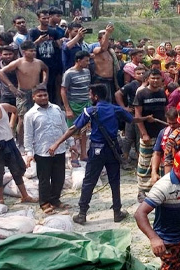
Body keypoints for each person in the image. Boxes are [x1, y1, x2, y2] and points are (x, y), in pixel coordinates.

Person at [50, 84, 153, 224]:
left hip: (97, 150)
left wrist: (57, 143)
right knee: (115, 182)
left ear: (96, 96)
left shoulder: (90, 111)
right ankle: (117, 212)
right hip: (113, 151)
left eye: (90, 94)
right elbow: (132, 119)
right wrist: (146, 118)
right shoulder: (116, 109)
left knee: (89, 182)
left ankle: (82, 214)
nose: (89, 96)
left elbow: (74, 128)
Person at [0, 41, 48, 148]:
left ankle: (35, 140)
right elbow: (1, 73)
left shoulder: (38, 62)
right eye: (31, 51)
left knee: (38, 116)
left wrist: (44, 82)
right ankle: (21, 143)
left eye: (34, 50)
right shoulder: (18, 62)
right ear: (24, 52)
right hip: (23, 93)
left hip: (36, 91)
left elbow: (46, 69)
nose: (34, 53)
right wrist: (11, 87)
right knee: (22, 118)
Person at [0, 89, 36, 205]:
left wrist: (12, 124)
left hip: (9, 142)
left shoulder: (4, 107)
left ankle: (25, 195)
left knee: (16, 169)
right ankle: (1, 199)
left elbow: (15, 111)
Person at [134, 69, 168, 202]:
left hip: (161, 133)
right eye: (152, 78)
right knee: (145, 162)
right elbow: (137, 116)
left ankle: (157, 189)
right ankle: (141, 191)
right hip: (147, 134)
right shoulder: (141, 94)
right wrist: (144, 133)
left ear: (161, 79)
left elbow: (165, 112)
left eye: (157, 78)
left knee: (159, 162)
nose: (155, 80)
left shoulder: (162, 93)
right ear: (148, 79)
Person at [61, 51, 91, 165]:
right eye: (86, 60)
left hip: (85, 104)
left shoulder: (87, 72)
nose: (88, 63)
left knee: (84, 131)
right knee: (73, 131)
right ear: (78, 60)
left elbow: (87, 87)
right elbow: (63, 90)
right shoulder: (69, 73)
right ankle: (73, 156)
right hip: (74, 105)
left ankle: (83, 154)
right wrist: (67, 108)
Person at [151, 108, 180, 185]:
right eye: (169, 123)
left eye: (174, 123)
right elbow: (157, 153)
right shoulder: (163, 133)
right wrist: (154, 172)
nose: (171, 126)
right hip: (167, 169)